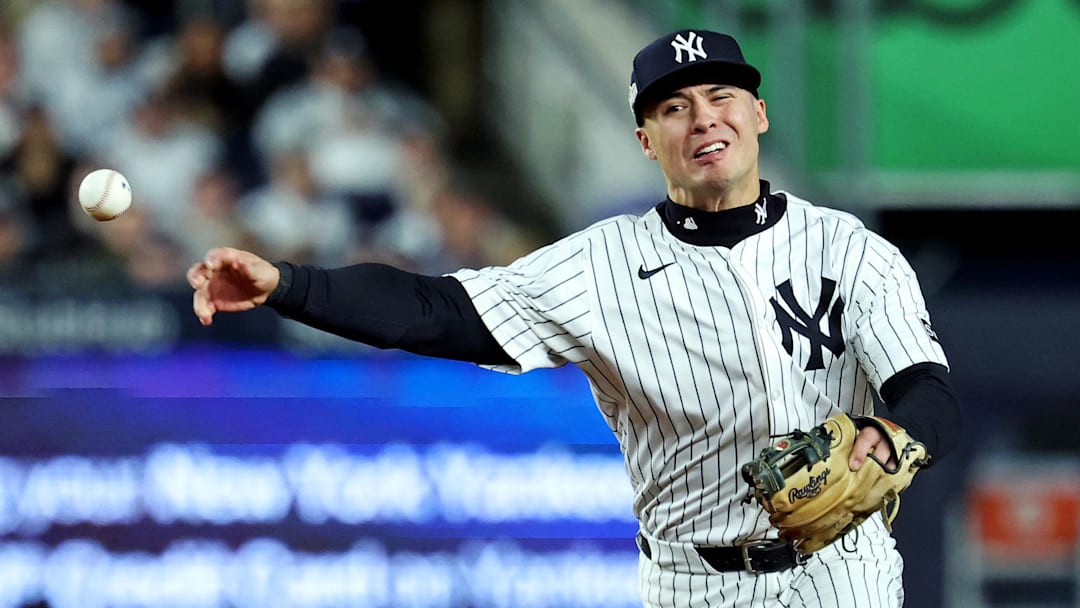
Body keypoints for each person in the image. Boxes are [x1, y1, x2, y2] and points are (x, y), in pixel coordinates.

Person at [186, 29, 961, 608]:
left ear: (757, 113)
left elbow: (927, 388)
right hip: (699, 582)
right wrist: (287, 284)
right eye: (674, 107)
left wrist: (892, 436)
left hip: (845, 573)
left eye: (721, 96)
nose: (703, 119)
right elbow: (436, 311)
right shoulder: (600, 265)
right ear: (646, 140)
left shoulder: (850, 249)